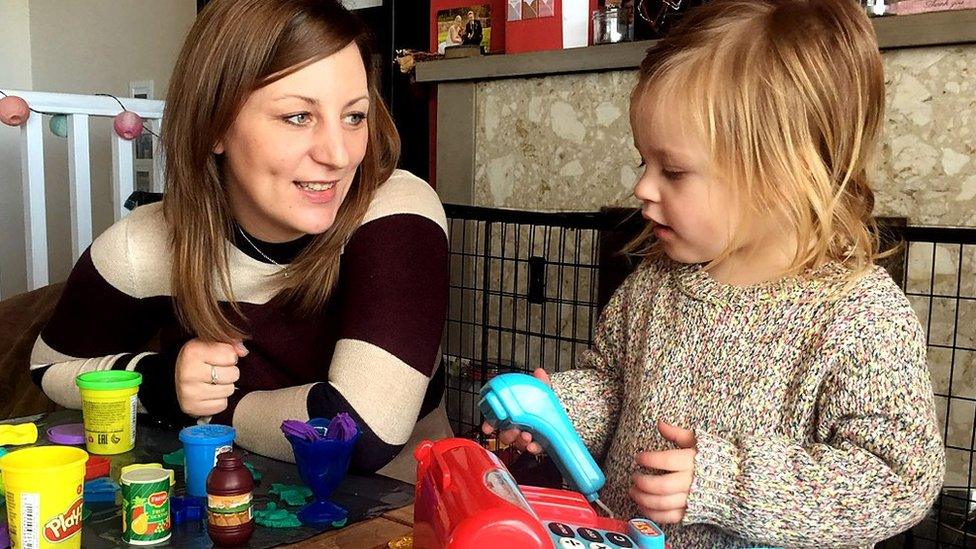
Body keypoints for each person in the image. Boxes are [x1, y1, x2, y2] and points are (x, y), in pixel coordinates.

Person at [486, 0, 945, 546]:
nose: (643, 189)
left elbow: (899, 482)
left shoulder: (860, 316)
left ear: (782, 174)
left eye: (673, 171)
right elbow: (614, 385)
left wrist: (729, 482)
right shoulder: (656, 282)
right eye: (644, 163)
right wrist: (560, 412)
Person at [29, 0, 451, 481]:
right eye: (298, 116)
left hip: (398, 515)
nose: (339, 154)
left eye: (354, 116)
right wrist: (160, 382)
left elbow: (356, 434)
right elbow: (49, 367)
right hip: (222, 507)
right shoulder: (143, 244)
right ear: (214, 126)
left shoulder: (397, 209)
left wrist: (204, 410)